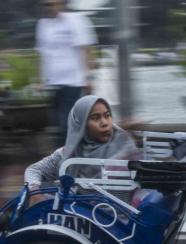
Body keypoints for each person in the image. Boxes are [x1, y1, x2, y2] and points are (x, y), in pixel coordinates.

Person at [25, 95, 141, 207]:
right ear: (81, 124)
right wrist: (34, 191)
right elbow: (33, 170)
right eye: (95, 118)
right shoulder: (70, 154)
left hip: (124, 221)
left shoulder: (125, 146)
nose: (105, 123)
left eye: (107, 115)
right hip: (87, 220)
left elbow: (149, 177)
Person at [35, 0, 98, 148]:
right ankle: (63, 162)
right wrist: (39, 80)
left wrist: (89, 77)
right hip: (52, 83)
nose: (50, 8)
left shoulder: (76, 20)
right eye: (46, 5)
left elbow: (87, 49)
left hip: (73, 81)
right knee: (56, 125)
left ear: (62, 4)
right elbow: (41, 54)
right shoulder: (42, 25)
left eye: (53, 4)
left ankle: (76, 158)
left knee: (66, 124)